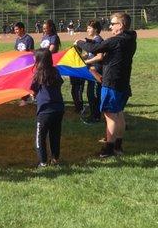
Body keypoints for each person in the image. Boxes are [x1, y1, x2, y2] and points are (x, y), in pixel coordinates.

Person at [75, 12, 137, 157]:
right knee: (119, 113)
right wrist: (89, 41)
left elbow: (95, 50)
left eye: (113, 23)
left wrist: (79, 42)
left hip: (112, 83)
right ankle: (118, 147)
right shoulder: (130, 38)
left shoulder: (116, 40)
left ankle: (108, 149)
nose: (110, 26)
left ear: (120, 25)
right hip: (123, 83)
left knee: (110, 116)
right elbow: (103, 47)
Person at [30, 48, 65, 167]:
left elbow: (33, 89)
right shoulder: (55, 72)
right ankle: (55, 159)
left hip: (45, 111)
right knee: (55, 135)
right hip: (58, 108)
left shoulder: (38, 74)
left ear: (39, 60)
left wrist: (31, 96)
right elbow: (60, 83)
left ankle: (43, 162)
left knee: (40, 137)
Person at [81, 20, 104, 124]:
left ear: (95, 29)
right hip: (91, 71)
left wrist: (86, 62)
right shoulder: (94, 40)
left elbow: (99, 57)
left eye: (89, 28)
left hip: (96, 71)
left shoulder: (98, 40)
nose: (87, 30)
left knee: (93, 94)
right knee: (90, 94)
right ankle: (93, 114)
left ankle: (96, 117)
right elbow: (91, 54)